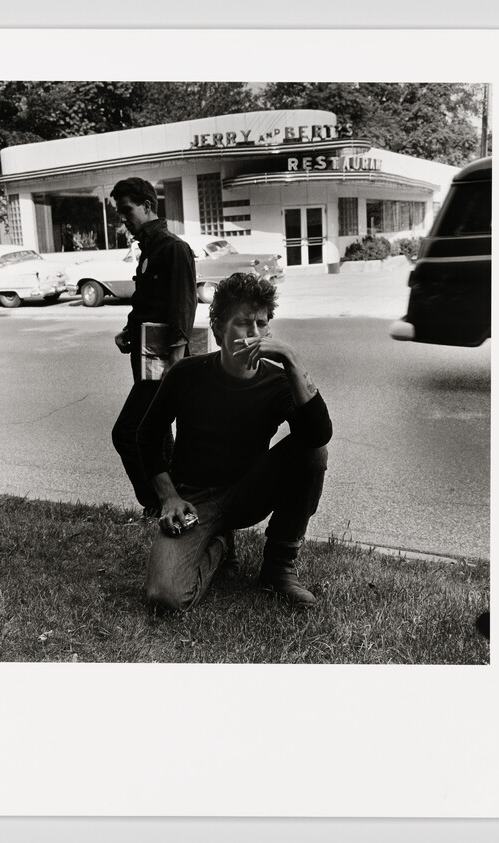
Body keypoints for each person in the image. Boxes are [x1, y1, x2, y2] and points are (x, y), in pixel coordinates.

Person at [136, 273, 332, 610]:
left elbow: (317, 435)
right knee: (165, 597)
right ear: (218, 330)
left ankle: (278, 568)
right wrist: (168, 496)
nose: (254, 334)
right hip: (194, 500)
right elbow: (147, 435)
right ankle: (220, 543)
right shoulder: (186, 374)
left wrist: (292, 359)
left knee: (312, 453)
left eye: (261, 323)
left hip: (248, 492)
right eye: (243, 323)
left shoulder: (280, 381)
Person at [109, 177, 198, 517]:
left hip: (164, 361)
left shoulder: (172, 247)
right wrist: (127, 331)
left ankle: (156, 502)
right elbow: (147, 302)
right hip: (147, 357)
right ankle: (177, 501)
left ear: (147, 206)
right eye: (119, 213)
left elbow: (182, 304)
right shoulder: (149, 248)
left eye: (127, 211)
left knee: (128, 432)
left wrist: (177, 356)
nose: (124, 219)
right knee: (160, 434)